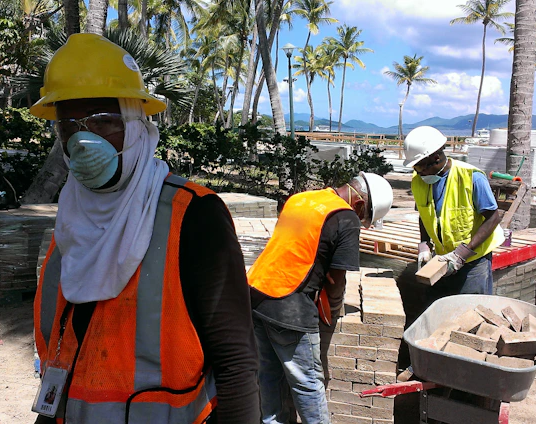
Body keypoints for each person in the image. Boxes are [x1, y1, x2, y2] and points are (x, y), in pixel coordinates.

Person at [30, 33, 260, 423]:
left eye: (103, 122)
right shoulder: (73, 215)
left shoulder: (194, 215)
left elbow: (235, 358)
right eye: (69, 126)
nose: (83, 140)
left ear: (137, 126)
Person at [247, 173, 393, 424]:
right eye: (363, 216)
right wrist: (333, 310)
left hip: (256, 292)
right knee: (308, 383)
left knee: (269, 374)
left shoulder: (302, 198)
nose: (360, 220)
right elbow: (336, 279)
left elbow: (294, 250)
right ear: (359, 205)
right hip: (288, 305)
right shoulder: (346, 216)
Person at [397, 126, 504, 383]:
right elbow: (426, 215)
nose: (417, 172)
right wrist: (424, 244)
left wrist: (463, 253)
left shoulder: (471, 177)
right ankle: (428, 366)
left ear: (436, 158)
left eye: (420, 166)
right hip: (443, 260)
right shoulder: (419, 181)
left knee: (473, 318)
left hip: (473, 261)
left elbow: (493, 217)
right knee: (433, 313)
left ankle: (470, 375)